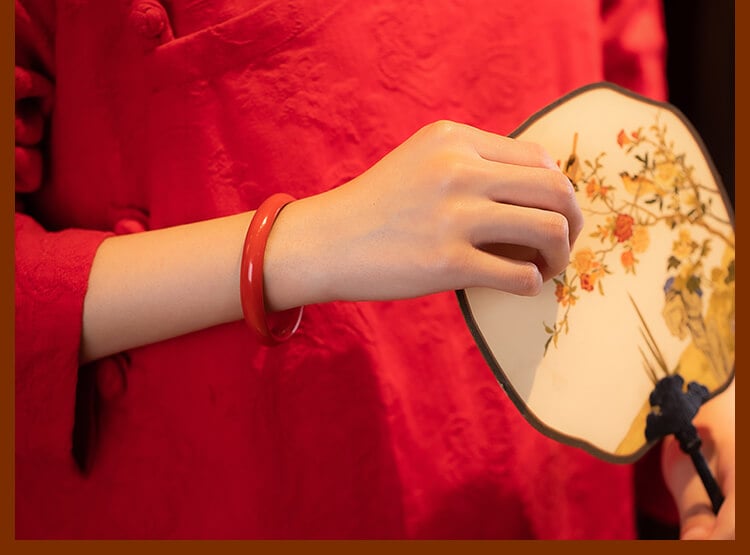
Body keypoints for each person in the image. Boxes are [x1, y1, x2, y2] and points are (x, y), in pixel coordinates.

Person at [15, 0, 734, 539]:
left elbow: (614, 75)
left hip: (563, 490)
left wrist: (707, 377)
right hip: (247, 486)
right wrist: (303, 244)